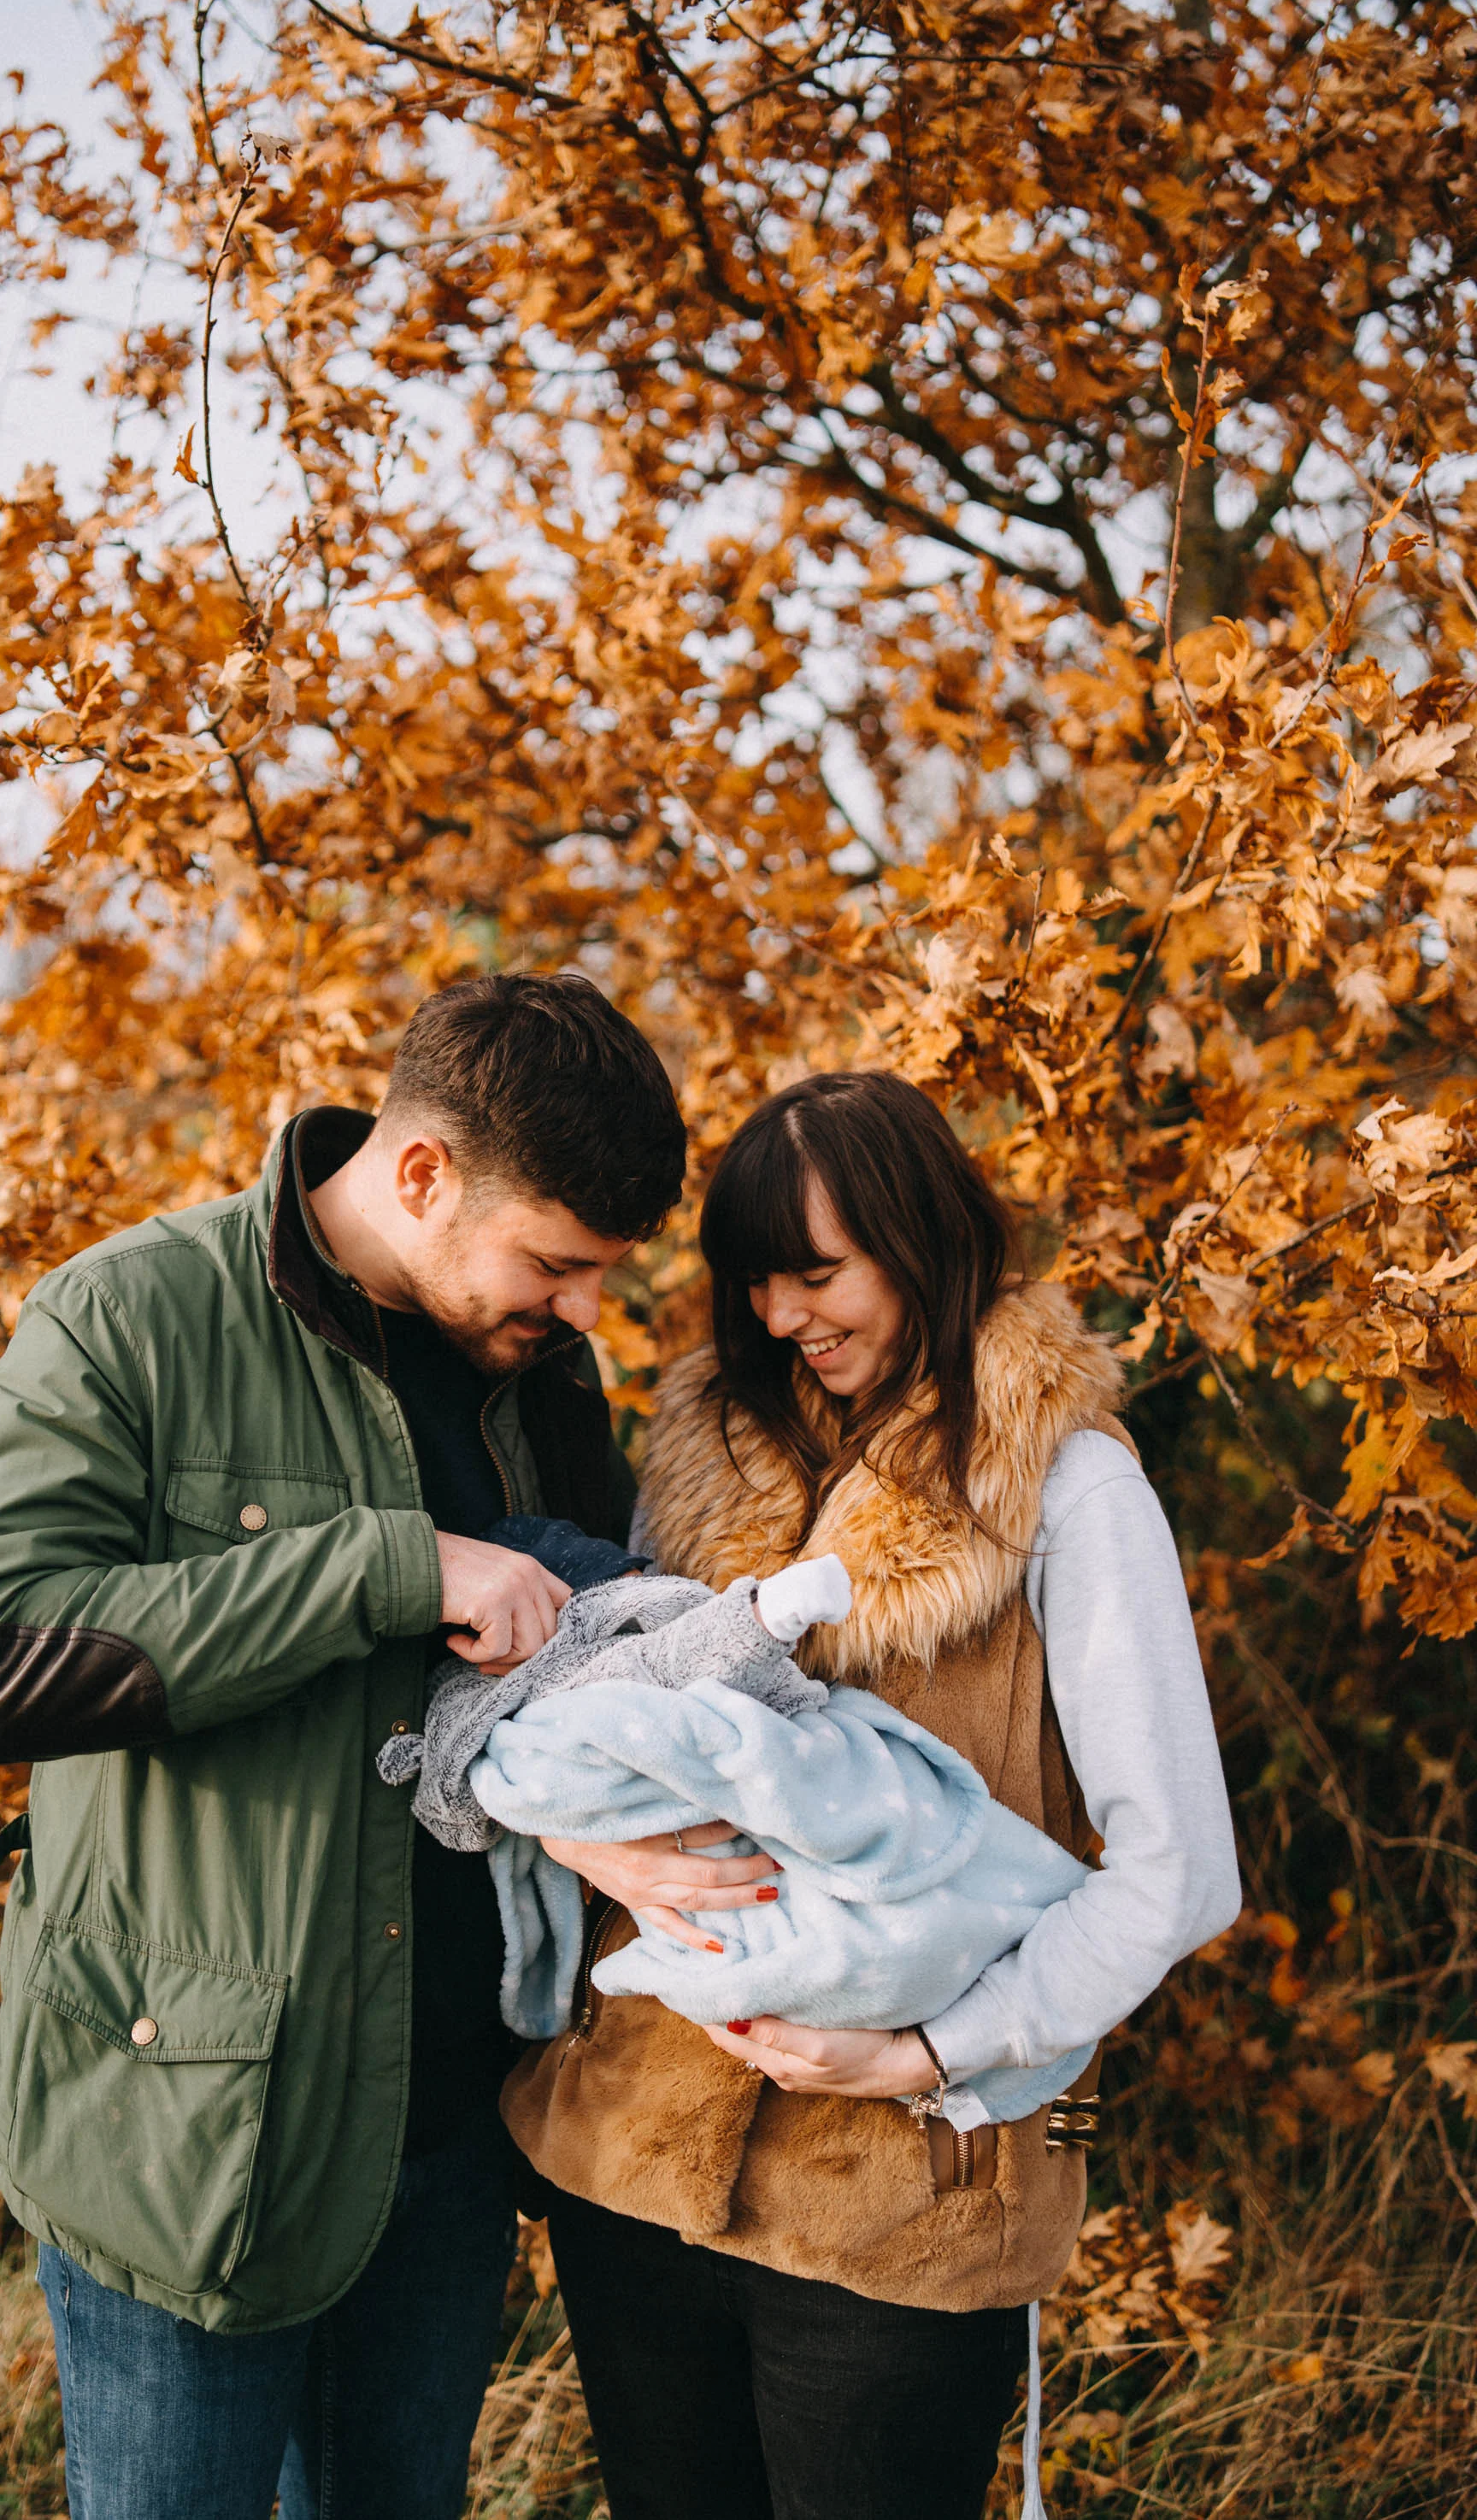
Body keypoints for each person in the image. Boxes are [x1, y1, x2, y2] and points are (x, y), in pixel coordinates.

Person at [0, 972, 698, 2520]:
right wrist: (383, 1564)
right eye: (556, 1261)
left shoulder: (543, 1371)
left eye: (601, 1275)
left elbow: (575, 1675)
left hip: (449, 2134)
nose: (586, 1311)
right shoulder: (131, 1313)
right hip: (184, 2136)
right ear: (421, 1176)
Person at [503, 1070, 1242, 2520]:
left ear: (923, 1235)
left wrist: (935, 2054)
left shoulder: (1070, 1491)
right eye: (755, 1281)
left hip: (903, 2200)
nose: (781, 1316)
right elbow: (588, 1714)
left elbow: (1178, 1872)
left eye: (818, 1270)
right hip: (631, 2167)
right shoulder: (706, 1455)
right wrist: (588, 1840)